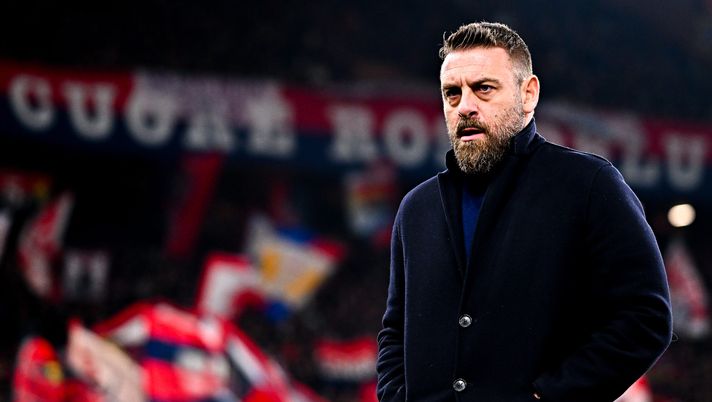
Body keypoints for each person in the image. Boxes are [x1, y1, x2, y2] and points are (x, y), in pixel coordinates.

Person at [376, 22, 672, 402]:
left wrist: (548, 397)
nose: (465, 106)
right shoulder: (416, 208)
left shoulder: (589, 185)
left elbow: (646, 317)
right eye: (452, 93)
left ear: (528, 93)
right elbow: (394, 332)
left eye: (484, 88)